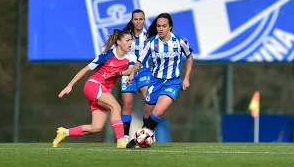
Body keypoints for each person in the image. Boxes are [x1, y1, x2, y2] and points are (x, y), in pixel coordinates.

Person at [53, 29, 137, 149]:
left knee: (96, 127)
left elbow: (130, 70)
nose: (130, 43)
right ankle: (121, 141)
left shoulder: (131, 56)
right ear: (118, 42)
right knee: (116, 107)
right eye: (127, 40)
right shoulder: (107, 55)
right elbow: (86, 69)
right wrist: (70, 85)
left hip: (103, 91)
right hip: (94, 85)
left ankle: (64, 132)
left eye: (131, 40)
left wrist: (122, 73)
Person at [126, 13, 194, 148]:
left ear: (170, 27)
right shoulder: (151, 43)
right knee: (148, 114)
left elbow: (190, 57)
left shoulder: (180, 41)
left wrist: (186, 78)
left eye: (164, 26)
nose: (161, 28)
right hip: (155, 82)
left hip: (172, 82)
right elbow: (139, 62)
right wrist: (132, 74)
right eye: (158, 26)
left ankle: (138, 139)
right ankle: (147, 135)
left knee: (158, 112)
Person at [120, 9, 151, 142]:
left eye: (141, 19)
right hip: (127, 71)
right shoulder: (126, 36)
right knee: (127, 104)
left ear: (144, 20)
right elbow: (118, 50)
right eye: (136, 19)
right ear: (132, 20)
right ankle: (125, 137)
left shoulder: (149, 36)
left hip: (144, 71)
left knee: (149, 101)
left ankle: (144, 134)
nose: (138, 21)